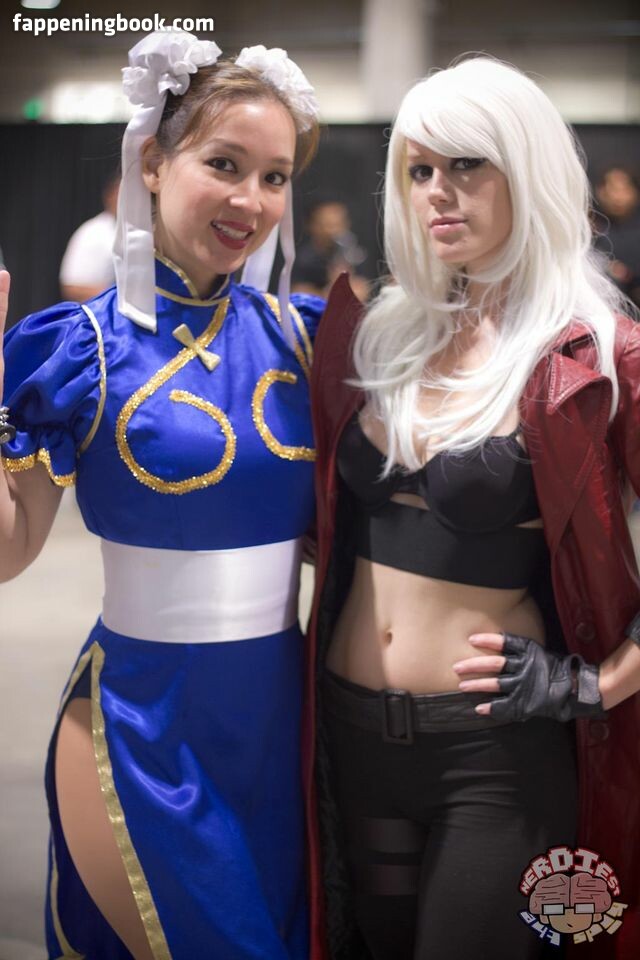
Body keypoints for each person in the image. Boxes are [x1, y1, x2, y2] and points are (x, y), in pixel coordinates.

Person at [303, 57, 640, 960]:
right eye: (419, 170)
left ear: (525, 168)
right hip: (350, 735)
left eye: (467, 165)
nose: (438, 193)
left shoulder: (597, 351)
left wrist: (596, 684)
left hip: (493, 756)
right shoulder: (382, 333)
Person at [0, 30, 324, 960]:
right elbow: (8, 553)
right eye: (224, 164)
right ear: (151, 161)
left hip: (288, 728)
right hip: (140, 727)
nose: (251, 200)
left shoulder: (306, 340)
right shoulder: (81, 348)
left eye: (273, 176)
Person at [291, 198, 369, 301]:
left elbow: (362, 289)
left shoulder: (353, 254)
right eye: (327, 225)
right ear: (312, 226)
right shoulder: (305, 259)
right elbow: (298, 294)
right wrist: (330, 291)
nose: (333, 231)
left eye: (338, 224)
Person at [59, 171, 120, 302]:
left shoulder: (146, 231)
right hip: (106, 311)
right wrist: (122, 297)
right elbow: (73, 287)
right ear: (110, 196)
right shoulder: (93, 232)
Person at [593, 166, 640, 309]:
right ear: (601, 192)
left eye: (623, 189)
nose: (617, 197)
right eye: (612, 189)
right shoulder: (591, 232)